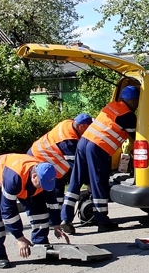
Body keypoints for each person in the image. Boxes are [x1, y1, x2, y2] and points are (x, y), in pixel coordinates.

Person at [60, 86, 139, 233]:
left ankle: (66, 218)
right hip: (98, 147)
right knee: (98, 181)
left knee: (75, 181)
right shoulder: (128, 116)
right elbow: (138, 138)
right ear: (133, 101)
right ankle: (102, 220)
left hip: (83, 142)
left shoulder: (111, 106)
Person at [0, 153, 63, 268]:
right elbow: (8, 210)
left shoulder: (45, 175)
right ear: (34, 176)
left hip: (21, 177)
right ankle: (0, 255)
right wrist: (20, 238)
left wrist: (56, 224)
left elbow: (52, 201)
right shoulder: (14, 179)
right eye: (42, 184)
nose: (43, 187)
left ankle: (40, 244)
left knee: (39, 210)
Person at [27, 113, 93, 227]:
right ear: (81, 126)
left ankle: (55, 220)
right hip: (40, 160)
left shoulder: (69, 123)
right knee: (53, 191)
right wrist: (89, 183)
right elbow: (77, 167)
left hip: (43, 158)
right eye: (88, 128)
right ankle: (55, 221)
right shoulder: (68, 140)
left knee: (57, 189)